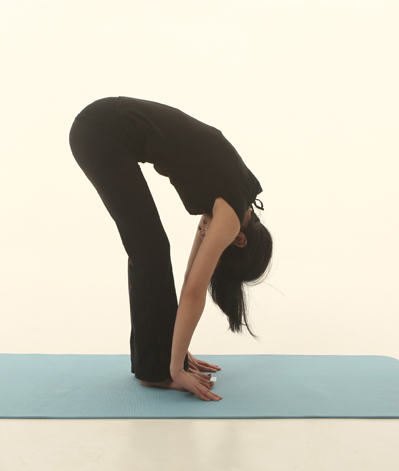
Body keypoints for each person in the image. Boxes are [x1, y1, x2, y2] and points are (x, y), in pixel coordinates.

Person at [69, 96, 273, 401]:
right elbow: (194, 291)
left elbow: (190, 278)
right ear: (240, 240)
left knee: (152, 249)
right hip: (101, 132)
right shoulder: (230, 216)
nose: (211, 245)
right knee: (149, 250)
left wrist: (175, 348)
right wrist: (176, 370)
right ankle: (156, 373)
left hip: (100, 127)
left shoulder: (236, 192)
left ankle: (157, 363)